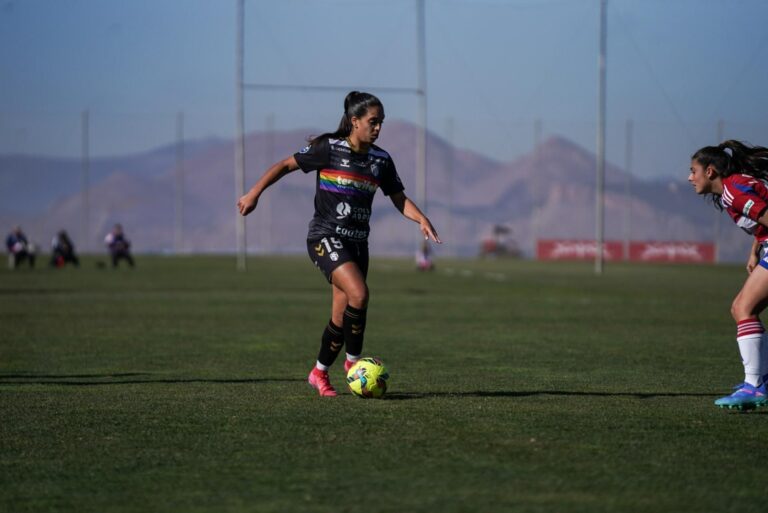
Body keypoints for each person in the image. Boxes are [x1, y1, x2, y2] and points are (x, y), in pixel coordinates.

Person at [237, 91, 441, 397]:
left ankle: (318, 373)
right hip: (324, 236)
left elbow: (398, 198)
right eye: (373, 121)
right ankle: (353, 363)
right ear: (354, 121)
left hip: (358, 245)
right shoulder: (327, 149)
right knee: (359, 294)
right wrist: (254, 193)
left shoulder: (381, 160)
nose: (378, 128)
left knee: (340, 316)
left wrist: (421, 218)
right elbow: (284, 165)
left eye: (381, 122)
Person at [688, 140, 768, 410]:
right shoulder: (735, 186)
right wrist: (756, 250)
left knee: (743, 307)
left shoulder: (733, 192)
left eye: (693, 171)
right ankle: (758, 380)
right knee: (743, 307)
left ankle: (756, 386)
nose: (690, 178)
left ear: (710, 172)